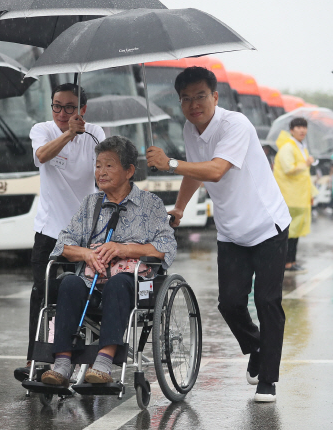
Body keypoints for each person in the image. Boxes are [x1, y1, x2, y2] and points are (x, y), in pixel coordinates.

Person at [146, 66, 291, 403]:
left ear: (215, 96)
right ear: (180, 103)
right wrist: (180, 207)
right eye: (186, 99)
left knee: (267, 301)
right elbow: (196, 174)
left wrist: (169, 163)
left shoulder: (235, 124)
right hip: (231, 231)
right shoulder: (189, 129)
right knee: (229, 304)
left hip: (266, 226)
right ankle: (257, 346)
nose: (194, 104)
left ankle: (267, 379)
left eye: (200, 96)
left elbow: (215, 169)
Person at [39, 136, 176, 386]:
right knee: (69, 284)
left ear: (129, 170)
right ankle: (61, 363)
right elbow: (63, 244)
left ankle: (103, 362)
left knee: (118, 284)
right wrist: (87, 254)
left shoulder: (150, 204)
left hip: (132, 284)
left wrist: (123, 249)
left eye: (109, 165)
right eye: (98, 165)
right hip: (93, 280)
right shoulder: (91, 203)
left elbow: (165, 247)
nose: (100, 172)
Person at [15, 83, 105, 380]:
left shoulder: (96, 133)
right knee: (43, 295)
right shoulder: (42, 129)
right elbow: (41, 156)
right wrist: (68, 133)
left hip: (84, 234)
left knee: (82, 296)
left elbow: (104, 174)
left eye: (70, 107)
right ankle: (36, 360)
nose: (62, 113)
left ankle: (77, 356)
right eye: (57, 106)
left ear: (83, 109)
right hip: (50, 231)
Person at [273, 117, 316, 272]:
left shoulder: (301, 147)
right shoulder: (288, 147)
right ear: (291, 130)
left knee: (295, 232)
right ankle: (286, 263)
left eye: (304, 127)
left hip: (300, 196)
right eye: (298, 127)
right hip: (290, 196)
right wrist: (306, 163)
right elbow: (288, 168)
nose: (302, 130)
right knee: (289, 232)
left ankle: (291, 261)